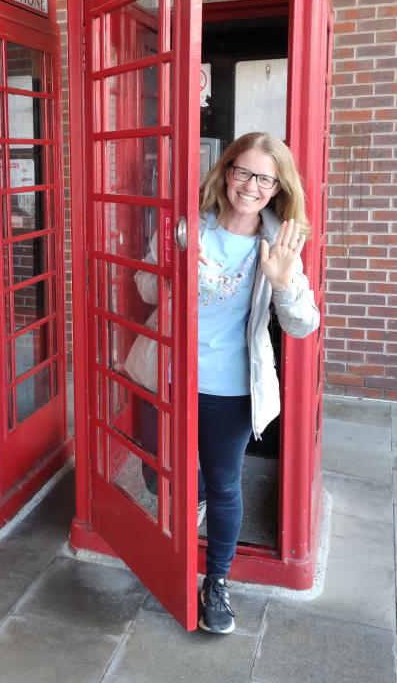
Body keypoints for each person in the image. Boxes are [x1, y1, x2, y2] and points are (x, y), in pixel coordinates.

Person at [130, 131, 319, 634]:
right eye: (244, 172)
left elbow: (304, 325)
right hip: (169, 375)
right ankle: (188, 505)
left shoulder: (279, 245)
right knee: (159, 470)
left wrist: (282, 282)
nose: (251, 186)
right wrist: (174, 268)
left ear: (277, 188)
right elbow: (144, 288)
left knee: (224, 483)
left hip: (232, 389)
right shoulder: (187, 226)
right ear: (227, 170)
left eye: (265, 179)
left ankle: (216, 581)